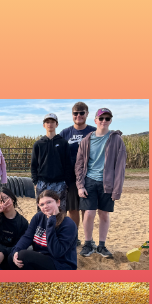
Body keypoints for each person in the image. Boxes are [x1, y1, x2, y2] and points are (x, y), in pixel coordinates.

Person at [75, 108, 127, 259]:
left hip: (108, 183)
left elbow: (120, 166)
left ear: (110, 121)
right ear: (95, 120)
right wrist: (80, 185)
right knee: (89, 213)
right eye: (101, 118)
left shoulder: (116, 140)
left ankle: (102, 245)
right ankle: (87, 243)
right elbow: (79, 165)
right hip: (89, 181)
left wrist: (117, 190)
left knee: (104, 214)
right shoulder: (86, 140)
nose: (104, 121)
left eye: (107, 118)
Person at [11, 190, 78, 270]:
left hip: (61, 264)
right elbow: (27, 236)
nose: (45, 206)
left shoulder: (68, 224)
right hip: (42, 257)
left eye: (49, 202)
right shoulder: (38, 217)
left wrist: (50, 224)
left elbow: (57, 252)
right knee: (13, 257)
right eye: (42, 204)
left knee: (23, 256)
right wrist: (16, 251)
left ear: (58, 203)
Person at [58, 101, 96, 240]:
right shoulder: (65, 133)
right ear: (72, 115)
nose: (78, 115)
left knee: (86, 209)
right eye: (75, 113)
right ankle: (74, 237)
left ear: (87, 114)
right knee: (73, 208)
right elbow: (57, 153)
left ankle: (88, 239)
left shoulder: (93, 131)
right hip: (71, 177)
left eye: (82, 113)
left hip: (90, 176)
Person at [30, 113, 70, 215]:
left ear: (57, 124)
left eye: (52, 122)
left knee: (60, 211)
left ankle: (60, 230)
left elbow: (68, 164)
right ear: (44, 125)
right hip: (42, 183)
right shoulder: (38, 144)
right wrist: (35, 182)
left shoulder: (63, 143)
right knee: (43, 211)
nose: (50, 124)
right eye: (47, 122)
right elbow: (34, 165)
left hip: (60, 183)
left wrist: (66, 182)